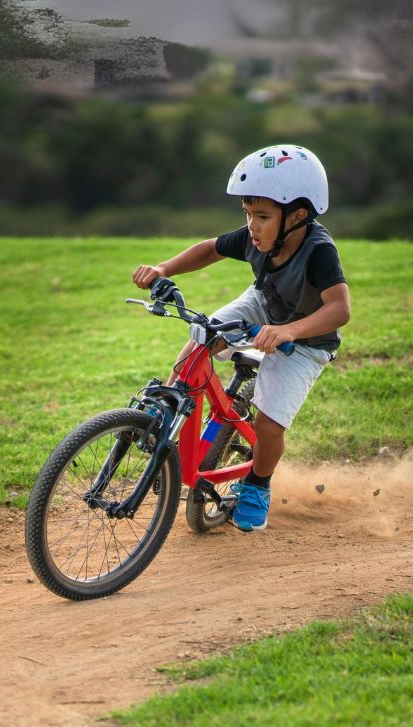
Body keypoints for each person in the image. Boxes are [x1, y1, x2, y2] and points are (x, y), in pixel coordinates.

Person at [132, 144, 350, 532]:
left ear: (298, 216)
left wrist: (288, 331)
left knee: (269, 423)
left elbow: (339, 309)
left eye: (262, 216)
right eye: (248, 214)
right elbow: (210, 249)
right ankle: (166, 409)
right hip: (263, 305)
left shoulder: (319, 251)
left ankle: (257, 485)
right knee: (200, 340)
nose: (252, 225)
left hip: (307, 339)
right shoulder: (255, 237)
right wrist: (165, 268)